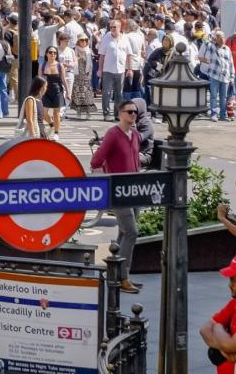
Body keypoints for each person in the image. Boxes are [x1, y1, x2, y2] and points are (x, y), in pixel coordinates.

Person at [89, 99, 142, 294]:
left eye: (135, 112)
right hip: (119, 191)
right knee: (131, 232)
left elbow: (135, 159)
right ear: (120, 114)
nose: (133, 115)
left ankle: (116, 273)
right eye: (129, 112)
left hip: (135, 190)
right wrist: (109, 174)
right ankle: (123, 277)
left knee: (123, 232)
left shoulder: (135, 134)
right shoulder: (113, 134)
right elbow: (96, 160)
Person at [97, 19, 133, 121]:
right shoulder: (106, 38)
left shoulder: (125, 38)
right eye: (111, 27)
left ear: (119, 28)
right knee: (106, 93)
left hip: (120, 70)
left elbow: (129, 55)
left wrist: (130, 69)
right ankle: (106, 113)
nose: (112, 29)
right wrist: (100, 69)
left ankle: (117, 114)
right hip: (108, 70)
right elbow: (102, 55)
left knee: (119, 94)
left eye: (114, 27)